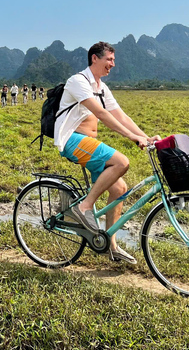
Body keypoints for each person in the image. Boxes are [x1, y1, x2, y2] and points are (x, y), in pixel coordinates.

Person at [54, 41, 160, 264]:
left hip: (88, 144)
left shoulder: (101, 87)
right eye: (109, 59)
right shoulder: (78, 81)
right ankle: (84, 208)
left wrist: (145, 137)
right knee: (121, 162)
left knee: (119, 189)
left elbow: (121, 116)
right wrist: (132, 138)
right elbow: (101, 114)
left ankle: (111, 246)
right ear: (95, 58)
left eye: (113, 60)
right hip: (72, 141)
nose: (112, 64)